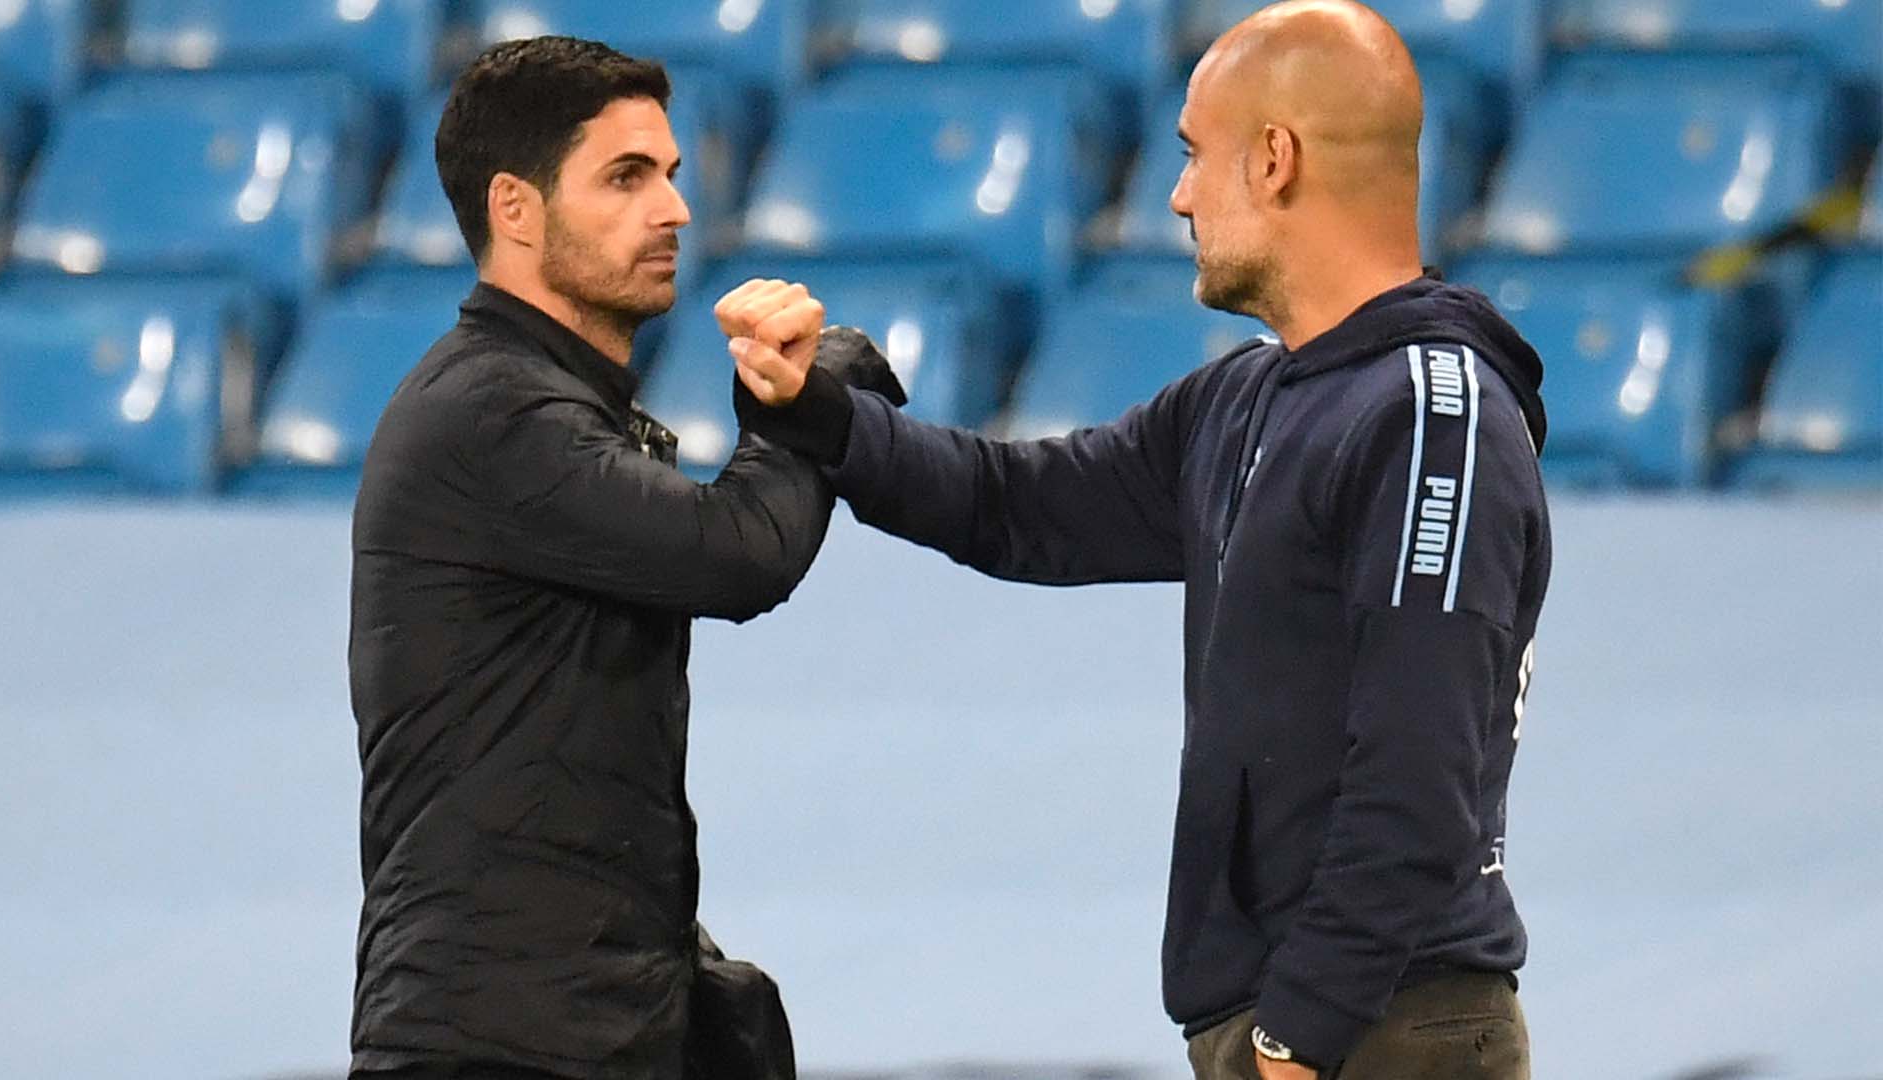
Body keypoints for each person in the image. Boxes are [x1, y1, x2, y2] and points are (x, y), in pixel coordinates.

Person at [730, 2, 1551, 1078]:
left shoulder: (1433, 414)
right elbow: (1017, 505)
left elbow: (1418, 771)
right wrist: (821, 414)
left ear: (1275, 159)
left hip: (1377, 1025)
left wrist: (1299, 1034)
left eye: (1195, 155)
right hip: (1306, 1019)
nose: (1177, 195)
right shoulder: (1246, 399)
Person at [347, 36, 896, 1080]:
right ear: (516, 208)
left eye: (671, 175)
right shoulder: (492, 410)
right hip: (502, 1042)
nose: (675, 209)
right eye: (626, 177)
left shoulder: (538, 404)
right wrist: (811, 401)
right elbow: (740, 554)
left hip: (584, 1022)